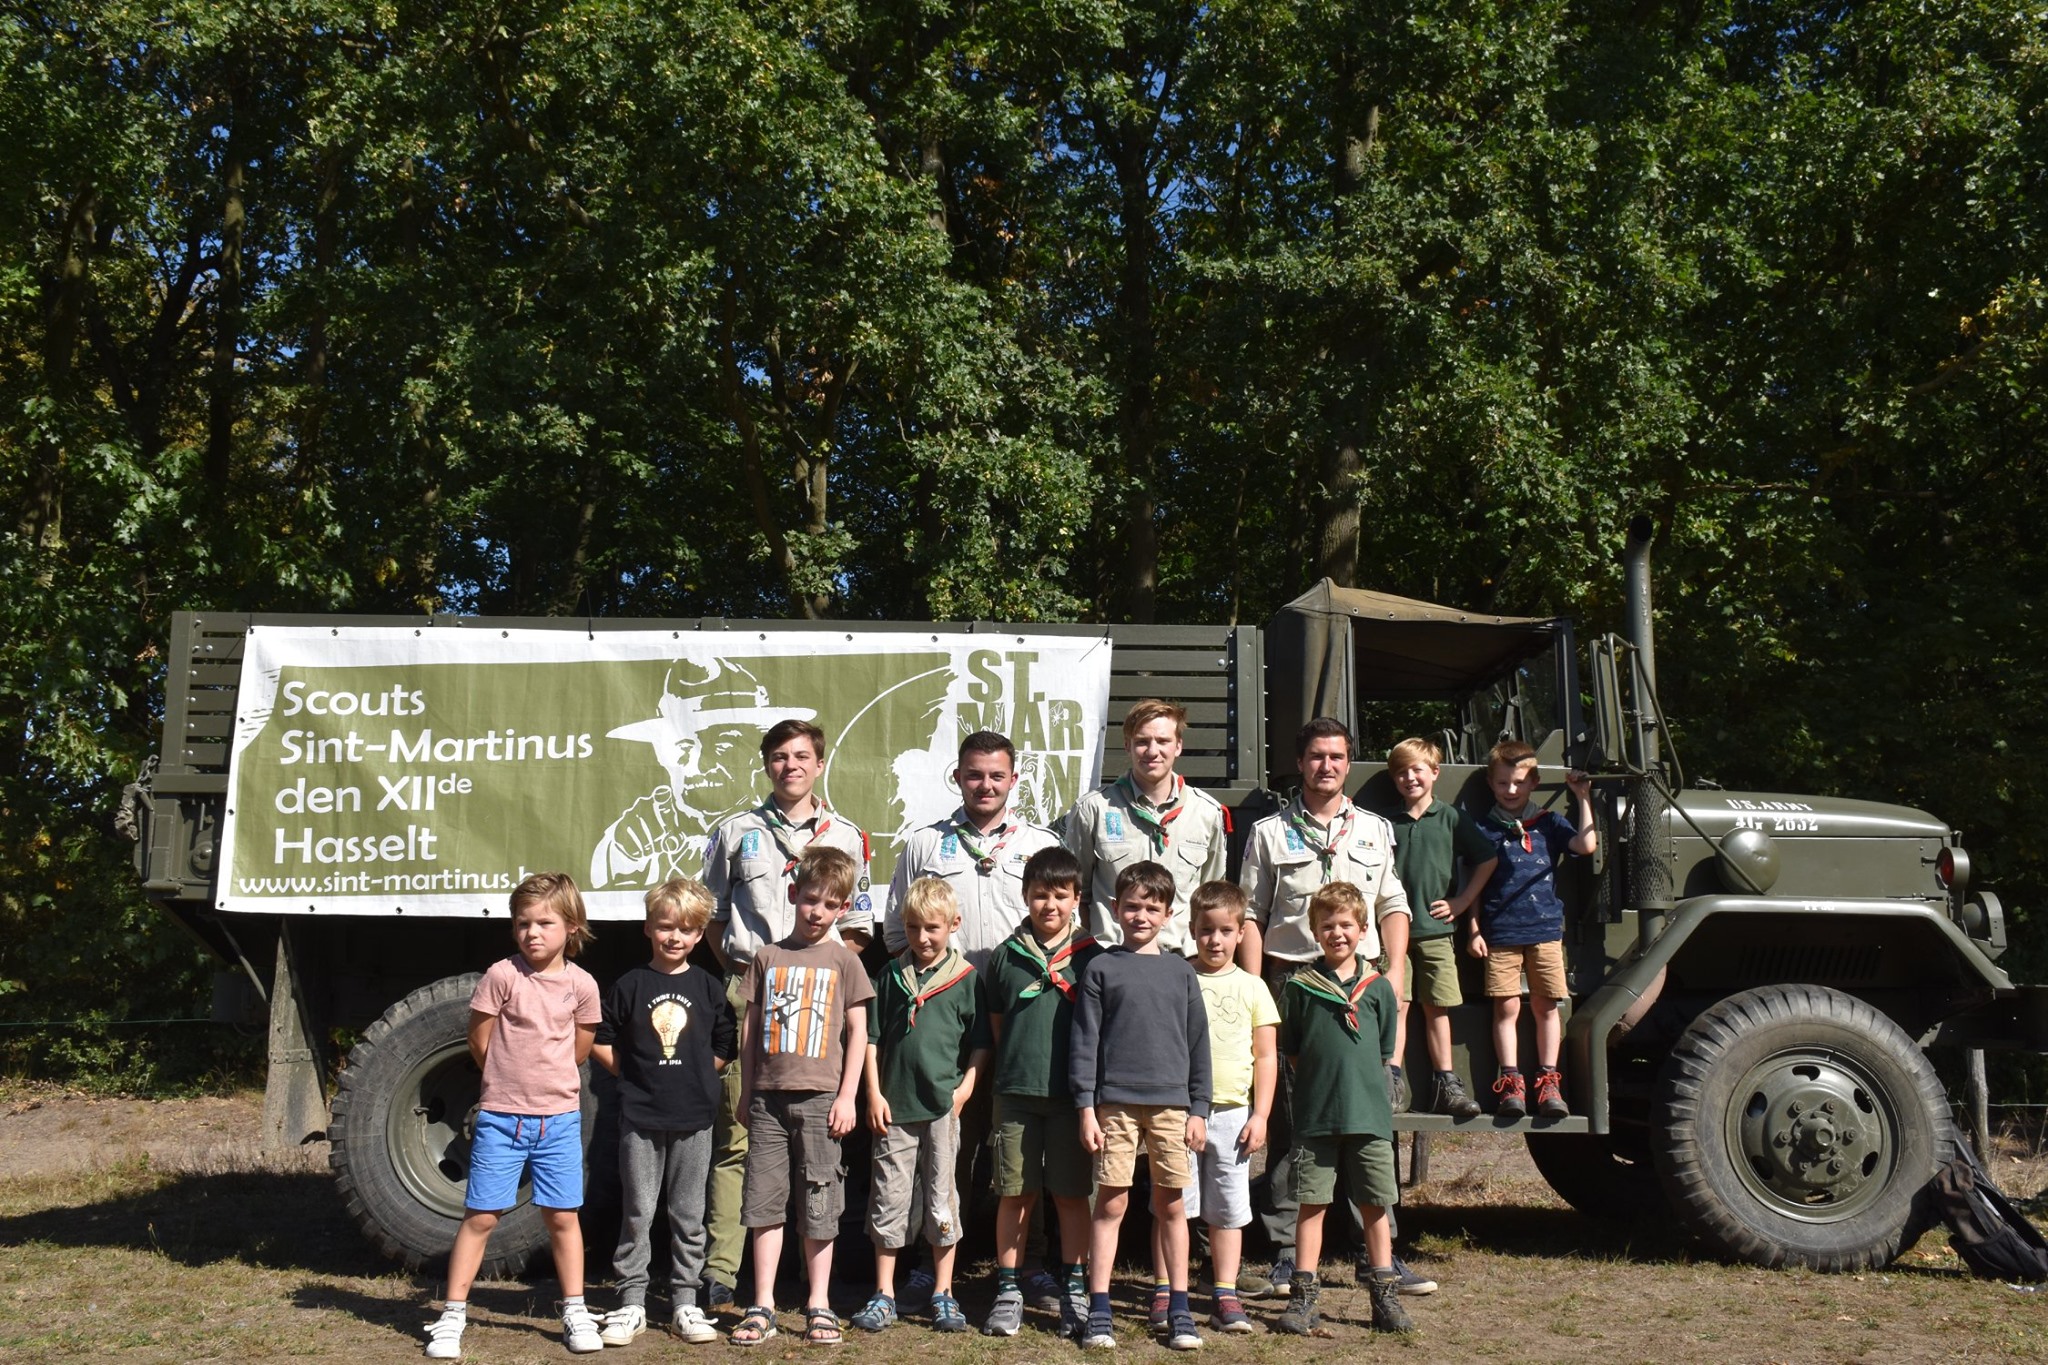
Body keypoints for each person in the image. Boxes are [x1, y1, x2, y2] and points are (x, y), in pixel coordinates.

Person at [1236, 717, 1411, 1294]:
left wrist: (1394, 974)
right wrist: (1260, 989)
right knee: (1292, 1119)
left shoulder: (1374, 830)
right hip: (1296, 982)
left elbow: (1392, 904)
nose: (1327, 766)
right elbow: (1252, 917)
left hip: (1360, 984)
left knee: (1369, 1122)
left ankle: (1376, 1254)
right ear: (1299, 762)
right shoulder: (1268, 833)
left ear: (1348, 762)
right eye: (1316, 757)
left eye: (1337, 757)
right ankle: (1288, 1252)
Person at [701, 718, 873, 1308]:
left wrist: (817, 968)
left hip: (821, 997)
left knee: (816, 1152)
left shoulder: (847, 835)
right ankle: (723, 1270)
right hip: (750, 990)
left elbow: (859, 925)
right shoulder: (735, 832)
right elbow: (715, 917)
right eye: (779, 756)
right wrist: (751, 972)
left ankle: (812, 1291)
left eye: (802, 756)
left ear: (819, 764)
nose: (790, 765)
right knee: (739, 1135)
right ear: (766, 763)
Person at [422, 873, 603, 1360]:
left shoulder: (583, 986)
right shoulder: (501, 975)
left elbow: (581, 1049)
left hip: (559, 1120)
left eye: (545, 922)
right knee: (481, 1215)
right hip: (501, 1119)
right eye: (523, 923)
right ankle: (453, 1315)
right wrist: (505, 1082)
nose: (533, 933)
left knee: (562, 1216)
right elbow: (479, 1040)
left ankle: (575, 1310)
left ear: (572, 926)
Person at [729, 846, 874, 1346]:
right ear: (794, 895)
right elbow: (749, 1031)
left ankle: (819, 1303)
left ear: (842, 909)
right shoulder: (767, 957)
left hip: (822, 1100)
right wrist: (747, 1090)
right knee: (764, 1202)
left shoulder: (844, 961)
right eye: (810, 899)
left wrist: (848, 1095)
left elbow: (858, 1032)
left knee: (820, 1200)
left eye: (830, 905)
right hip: (767, 1101)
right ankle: (763, 1303)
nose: (817, 912)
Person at [1070, 860, 1211, 1352]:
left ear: (1169, 913)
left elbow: (1199, 1046)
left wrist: (1200, 1108)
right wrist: (1086, 1108)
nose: (1141, 915)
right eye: (1132, 906)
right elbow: (1085, 1045)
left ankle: (1178, 1307)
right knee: (1110, 1202)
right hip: (1115, 1106)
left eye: (1152, 907)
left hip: (1173, 1106)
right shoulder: (1101, 968)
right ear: (1115, 909)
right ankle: (1101, 1309)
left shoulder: (1181, 972)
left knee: (1171, 1205)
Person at [591, 878, 736, 1346]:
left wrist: (697, 1075)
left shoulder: (709, 987)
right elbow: (600, 1038)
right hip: (640, 1119)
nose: (674, 937)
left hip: (694, 1118)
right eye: (665, 927)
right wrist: (629, 1077)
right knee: (637, 1210)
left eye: (686, 929)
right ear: (648, 928)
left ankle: (684, 1303)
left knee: (688, 1213)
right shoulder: (631, 985)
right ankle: (631, 1302)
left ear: (699, 935)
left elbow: (724, 1044)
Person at [851, 878, 991, 1335]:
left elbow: (981, 1043)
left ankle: (943, 1293)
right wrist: (872, 1093)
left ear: (953, 924)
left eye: (932, 927)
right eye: (912, 928)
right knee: (888, 1198)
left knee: (941, 1198)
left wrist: (965, 1089)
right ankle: (884, 1293)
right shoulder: (889, 977)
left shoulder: (967, 980)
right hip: (894, 1109)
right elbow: (869, 1039)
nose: (923, 938)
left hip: (941, 1110)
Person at [1273, 882, 1412, 1337]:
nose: (1337, 933)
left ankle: (1384, 1295)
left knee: (1375, 1204)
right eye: (1327, 925)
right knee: (1311, 1204)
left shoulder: (1377, 990)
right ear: (1314, 931)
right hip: (1316, 1118)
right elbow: (1292, 1050)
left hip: (1368, 1118)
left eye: (1346, 925)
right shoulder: (1299, 988)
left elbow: (1384, 1050)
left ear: (1363, 929)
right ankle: (1303, 1295)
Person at [979, 845, 1103, 1340]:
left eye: (1059, 895)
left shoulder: (1093, 959)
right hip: (1015, 1093)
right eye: (1039, 895)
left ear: (1077, 898)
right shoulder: (1006, 957)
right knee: (1016, 1193)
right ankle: (1008, 1288)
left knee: (1072, 1196)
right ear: (1024, 896)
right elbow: (995, 1024)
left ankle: (1075, 1286)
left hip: (1074, 1099)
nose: (1049, 905)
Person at [592, 658, 817, 887]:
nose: (700, 765)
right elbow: (601, 887)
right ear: (662, 755)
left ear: (752, 757)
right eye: (684, 746)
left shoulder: (752, 829)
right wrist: (624, 851)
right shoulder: (630, 837)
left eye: (723, 746)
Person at [1468, 740, 1597, 1119]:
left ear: (1534, 782)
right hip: (1501, 934)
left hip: (1544, 931)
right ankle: (1511, 1082)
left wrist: (1583, 797)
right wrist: (1474, 929)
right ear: (1491, 783)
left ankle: (1548, 1081)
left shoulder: (1549, 823)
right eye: (1503, 783)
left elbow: (1586, 845)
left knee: (1545, 1006)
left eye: (1520, 782)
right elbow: (1475, 883)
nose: (1511, 790)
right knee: (1505, 1007)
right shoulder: (1484, 829)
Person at [1384, 737, 1499, 1119]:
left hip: (1436, 931)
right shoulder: (1387, 824)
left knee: (1438, 1008)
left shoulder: (1450, 817)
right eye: (1401, 771)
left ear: (1435, 773)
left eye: (1417, 769)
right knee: (1396, 1006)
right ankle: (1391, 1080)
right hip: (1393, 934)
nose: (1409, 777)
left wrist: (1463, 902)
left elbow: (1486, 858)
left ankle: (1446, 1083)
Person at [1180, 880, 1277, 1334]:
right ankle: (1172, 1291)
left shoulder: (1254, 987)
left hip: (1234, 1114)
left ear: (1240, 933)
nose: (1214, 940)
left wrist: (1260, 1114)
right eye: (1205, 931)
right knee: (1177, 1206)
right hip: (1180, 1111)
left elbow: (1265, 1055)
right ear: (1192, 930)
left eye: (1224, 931)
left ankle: (1225, 1292)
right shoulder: (1178, 978)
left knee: (1228, 1208)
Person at [1062, 699, 1229, 955]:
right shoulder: (1094, 809)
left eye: (1163, 741)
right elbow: (1075, 895)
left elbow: (1211, 898)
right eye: (1142, 741)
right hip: (1112, 958)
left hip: (1182, 961)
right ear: (1127, 746)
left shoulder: (1206, 813)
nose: (1152, 751)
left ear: (1178, 746)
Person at [885, 730, 1062, 968]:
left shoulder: (1043, 845)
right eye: (975, 775)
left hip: (1021, 995)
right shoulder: (924, 843)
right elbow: (897, 932)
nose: (986, 785)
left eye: (997, 776)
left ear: (1013, 779)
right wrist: (935, 980)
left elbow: (1067, 925)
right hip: (946, 997)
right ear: (958, 778)